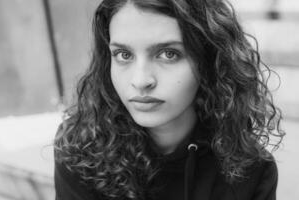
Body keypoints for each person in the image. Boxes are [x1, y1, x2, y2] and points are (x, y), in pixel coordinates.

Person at [54, 0, 285, 200]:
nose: (141, 80)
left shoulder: (251, 170)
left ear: (210, 60)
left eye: (168, 54)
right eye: (124, 55)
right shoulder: (82, 152)